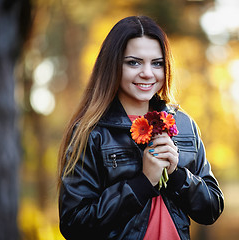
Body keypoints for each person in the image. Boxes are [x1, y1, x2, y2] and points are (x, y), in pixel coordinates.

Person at [58, 15, 224, 240]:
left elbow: (211, 209)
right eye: (134, 62)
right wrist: (141, 183)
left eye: (156, 63)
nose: (147, 73)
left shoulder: (184, 125)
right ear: (113, 65)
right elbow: (74, 225)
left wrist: (177, 176)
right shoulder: (92, 132)